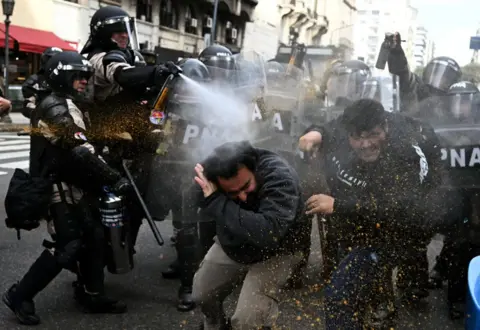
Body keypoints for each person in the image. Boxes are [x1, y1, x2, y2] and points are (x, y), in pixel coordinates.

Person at [3, 51, 131, 326]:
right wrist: (112, 177)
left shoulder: (71, 103)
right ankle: (19, 294)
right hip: (56, 186)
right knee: (69, 243)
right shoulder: (53, 105)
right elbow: (79, 149)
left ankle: (92, 294)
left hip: (75, 183)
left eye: (86, 76)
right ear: (62, 75)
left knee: (95, 236)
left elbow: (90, 143)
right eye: (78, 76)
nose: (84, 81)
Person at [299, 99, 446, 328]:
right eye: (357, 137)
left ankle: (403, 292)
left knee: (345, 292)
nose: (365, 144)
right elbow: (331, 126)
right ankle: (380, 302)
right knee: (355, 282)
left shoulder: (405, 151)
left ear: (385, 127)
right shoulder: (346, 128)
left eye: (373, 135)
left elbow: (394, 207)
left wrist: (338, 205)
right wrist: (315, 133)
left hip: (406, 226)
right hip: (360, 220)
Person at [191, 141, 312, 330]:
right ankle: (215, 323)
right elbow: (196, 194)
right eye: (233, 193)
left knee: (247, 321)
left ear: (254, 167)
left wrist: (217, 201)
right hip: (236, 242)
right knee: (202, 294)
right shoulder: (214, 170)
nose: (243, 197)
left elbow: (267, 233)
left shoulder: (280, 176)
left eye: (246, 186)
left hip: (278, 249)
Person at [22, 47, 63, 119]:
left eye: (56, 60)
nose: (53, 63)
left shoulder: (68, 80)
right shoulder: (35, 79)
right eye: (50, 59)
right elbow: (27, 105)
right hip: (42, 120)